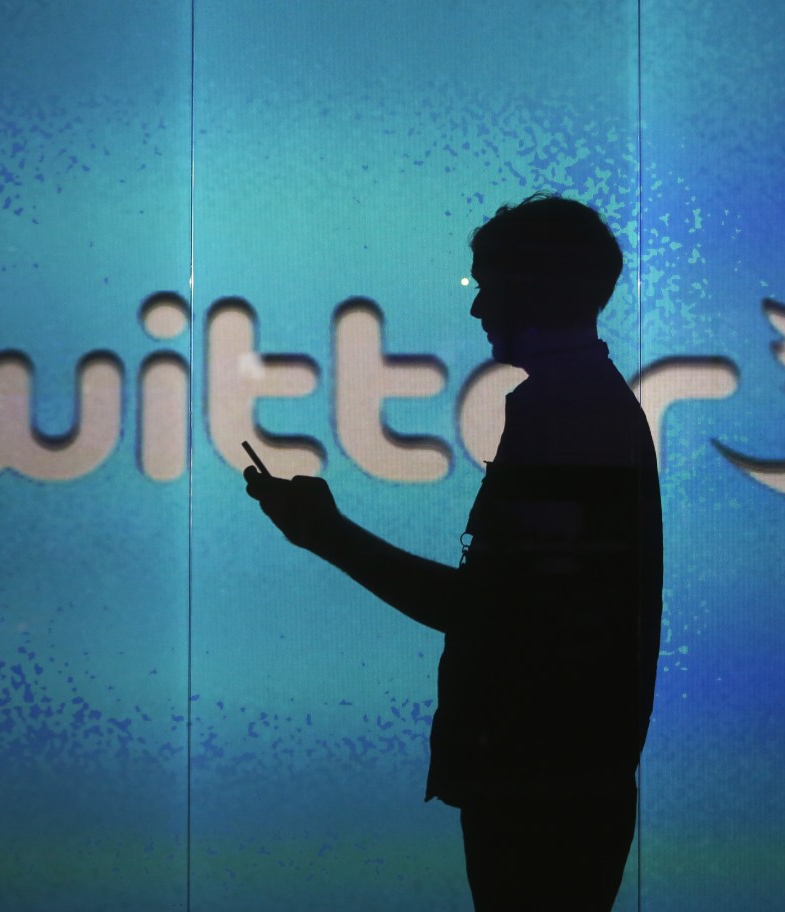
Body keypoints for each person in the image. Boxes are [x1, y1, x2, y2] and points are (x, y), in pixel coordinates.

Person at [244, 194, 662, 911]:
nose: (477, 309)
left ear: (538, 287)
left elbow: (494, 612)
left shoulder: (564, 412)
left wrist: (327, 535)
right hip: (559, 779)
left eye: (490, 286)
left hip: (539, 785)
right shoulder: (583, 402)